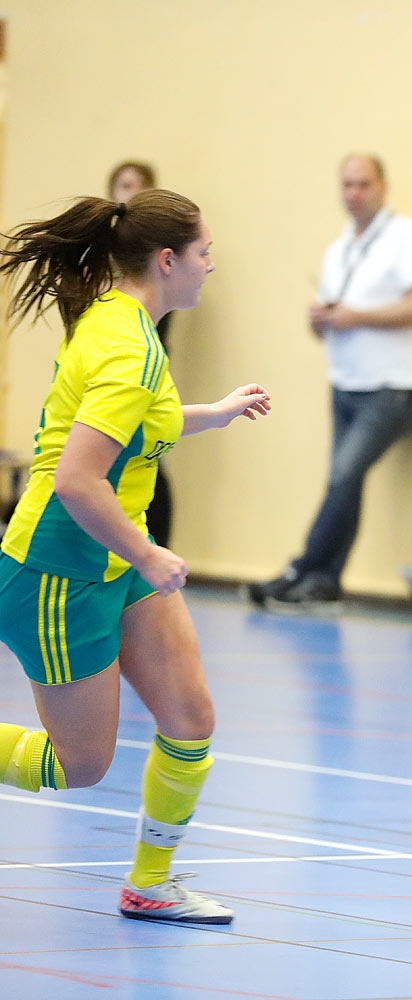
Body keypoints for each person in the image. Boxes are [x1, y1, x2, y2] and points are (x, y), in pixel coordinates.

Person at [0, 190, 272, 924]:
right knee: (79, 765)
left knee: (190, 719)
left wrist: (210, 413)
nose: (211, 267)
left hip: (111, 560)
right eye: (205, 253)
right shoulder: (125, 346)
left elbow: (133, 423)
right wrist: (149, 554)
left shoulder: (123, 322)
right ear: (167, 260)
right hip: (63, 570)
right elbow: (76, 478)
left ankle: (151, 884)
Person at [247, 153, 412, 610]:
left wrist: (358, 318)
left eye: (363, 185)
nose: (354, 194)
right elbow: (327, 324)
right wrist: (321, 320)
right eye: (347, 186)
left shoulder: (406, 237)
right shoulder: (340, 249)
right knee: (344, 484)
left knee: (343, 475)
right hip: (346, 382)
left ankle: (300, 569)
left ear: (383, 186)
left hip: (393, 386)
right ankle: (326, 583)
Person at [107, 160, 175, 548]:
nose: (126, 192)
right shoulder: (112, 258)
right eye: (121, 185)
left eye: (135, 186)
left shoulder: (157, 252)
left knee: (152, 447)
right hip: (121, 361)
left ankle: (158, 545)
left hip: (148, 360)